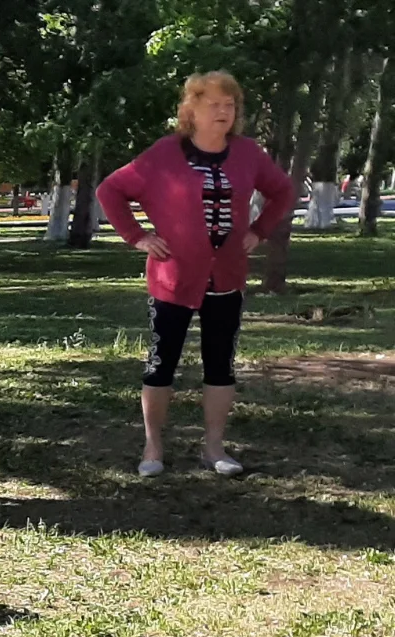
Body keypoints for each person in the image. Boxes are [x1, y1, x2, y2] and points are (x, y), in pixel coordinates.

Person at [98, 71, 293, 478]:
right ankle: (153, 449)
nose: (224, 112)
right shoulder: (164, 154)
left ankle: (214, 449)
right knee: (161, 363)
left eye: (230, 105)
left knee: (220, 364)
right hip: (173, 278)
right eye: (214, 104)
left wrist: (258, 231)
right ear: (192, 110)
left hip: (227, 277)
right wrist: (137, 236)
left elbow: (283, 192)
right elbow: (110, 190)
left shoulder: (248, 154)